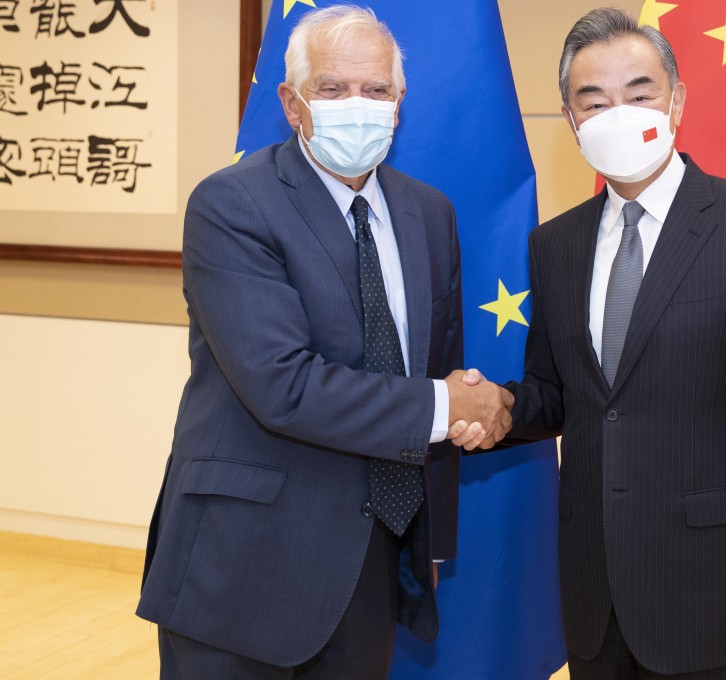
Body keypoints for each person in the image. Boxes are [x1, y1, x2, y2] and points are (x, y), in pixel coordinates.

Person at [136, 6, 512, 678]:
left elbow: (433, 367)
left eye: (375, 91)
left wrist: (468, 411)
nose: (357, 107)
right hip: (241, 569)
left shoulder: (429, 213)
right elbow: (282, 384)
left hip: (370, 566)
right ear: (291, 102)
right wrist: (444, 406)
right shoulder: (232, 205)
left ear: (400, 102)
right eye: (332, 89)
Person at [457, 7, 726, 679]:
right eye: (592, 101)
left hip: (711, 594)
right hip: (595, 594)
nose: (617, 114)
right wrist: (489, 410)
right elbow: (558, 393)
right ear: (571, 120)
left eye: (639, 93)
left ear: (677, 99)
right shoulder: (556, 245)